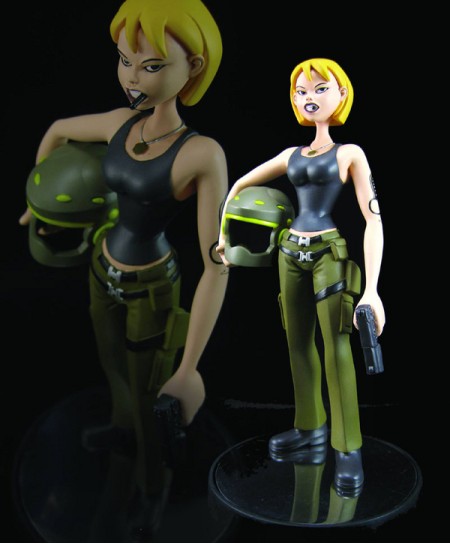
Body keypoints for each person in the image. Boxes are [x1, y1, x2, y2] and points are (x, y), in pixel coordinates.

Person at [19, 0, 229, 494]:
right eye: (124, 60)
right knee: (113, 369)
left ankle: (152, 483)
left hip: (150, 284)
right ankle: (121, 434)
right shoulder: (119, 123)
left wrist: (189, 367)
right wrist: (38, 203)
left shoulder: (201, 154)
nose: (132, 76)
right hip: (101, 270)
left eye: (151, 66)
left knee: (148, 387)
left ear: (193, 67)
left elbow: (217, 266)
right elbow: (57, 131)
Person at [217, 58, 385, 494]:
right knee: (296, 343)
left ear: (341, 94)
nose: (309, 97)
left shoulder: (349, 153)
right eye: (301, 90)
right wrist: (223, 238)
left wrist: (372, 290)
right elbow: (238, 186)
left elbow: (373, 219)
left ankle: (347, 448)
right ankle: (310, 430)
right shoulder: (290, 155)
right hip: (289, 252)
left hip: (329, 252)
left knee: (337, 349)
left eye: (320, 88)